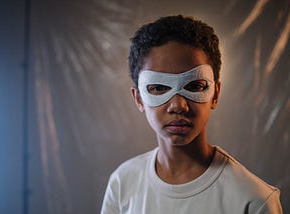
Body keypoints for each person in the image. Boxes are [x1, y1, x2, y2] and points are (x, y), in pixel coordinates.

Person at [101, 15, 283, 214]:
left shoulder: (254, 201)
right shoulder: (122, 184)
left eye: (195, 85)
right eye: (159, 88)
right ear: (138, 99)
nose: (178, 105)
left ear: (215, 94)